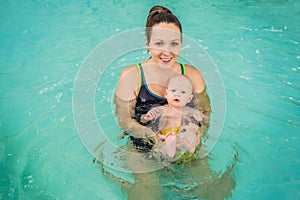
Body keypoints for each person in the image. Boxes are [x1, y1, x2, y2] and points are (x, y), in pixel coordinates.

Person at [113, 5, 235, 199]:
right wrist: (152, 137)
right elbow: (124, 120)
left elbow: (205, 111)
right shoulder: (132, 75)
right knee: (150, 195)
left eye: (174, 44)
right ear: (147, 42)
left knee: (216, 191)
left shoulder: (192, 75)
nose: (167, 52)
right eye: (159, 43)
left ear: (181, 44)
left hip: (183, 144)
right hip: (142, 146)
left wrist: (197, 134)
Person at [140, 74, 208, 158]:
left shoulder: (189, 111)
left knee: (192, 128)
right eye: (173, 90)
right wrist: (147, 117)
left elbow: (206, 119)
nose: (177, 95)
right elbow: (144, 120)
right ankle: (170, 147)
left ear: (189, 99)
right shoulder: (161, 109)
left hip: (182, 137)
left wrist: (201, 118)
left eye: (183, 92)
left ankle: (190, 145)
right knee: (160, 144)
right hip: (166, 136)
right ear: (166, 93)